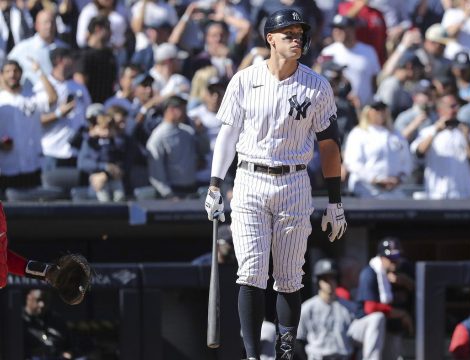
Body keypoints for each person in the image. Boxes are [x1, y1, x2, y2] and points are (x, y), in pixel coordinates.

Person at [204, 9, 347, 360]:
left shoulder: (317, 85)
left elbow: (329, 146)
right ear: (271, 39)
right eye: (288, 33)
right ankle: (252, 355)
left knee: (288, 276)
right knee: (250, 271)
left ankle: (284, 353)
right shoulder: (244, 79)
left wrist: (335, 201)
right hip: (250, 179)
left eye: (300, 33)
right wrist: (214, 185)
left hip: (295, 180)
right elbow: (228, 135)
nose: (296, 38)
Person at [296, 258, 386, 360]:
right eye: (325, 279)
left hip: (343, 357)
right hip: (318, 357)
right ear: (318, 281)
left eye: (333, 278)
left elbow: (359, 335)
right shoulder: (307, 308)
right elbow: (299, 340)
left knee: (378, 318)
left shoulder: (350, 307)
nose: (330, 283)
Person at [0, 60, 57, 192]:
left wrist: (39, 72)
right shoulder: (1, 101)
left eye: (15, 71)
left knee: (32, 207)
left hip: (32, 165)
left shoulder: (31, 96)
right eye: (7, 71)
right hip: (6, 167)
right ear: (1, 75)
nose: (12, 75)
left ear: (21, 73)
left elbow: (53, 98)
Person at [410, 93, 470, 199]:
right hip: (436, 192)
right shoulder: (428, 131)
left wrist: (466, 138)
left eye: (457, 106)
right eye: (452, 106)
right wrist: (435, 132)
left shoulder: (465, 132)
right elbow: (419, 153)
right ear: (440, 110)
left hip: (462, 192)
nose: (455, 109)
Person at [356, 238, 414, 359]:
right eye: (390, 258)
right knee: (378, 318)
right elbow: (370, 308)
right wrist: (402, 314)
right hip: (363, 330)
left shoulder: (403, 272)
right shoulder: (370, 273)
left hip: (388, 331)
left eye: (396, 257)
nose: (394, 261)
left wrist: (406, 282)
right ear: (381, 257)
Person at [343, 100, 413, 199]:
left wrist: (399, 178)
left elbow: (407, 161)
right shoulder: (359, 133)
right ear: (368, 112)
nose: (380, 113)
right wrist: (374, 179)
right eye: (376, 109)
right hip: (366, 191)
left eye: (383, 109)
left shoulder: (396, 134)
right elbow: (353, 162)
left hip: (394, 191)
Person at [146, 94, 207, 199]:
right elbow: (156, 172)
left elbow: (204, 150)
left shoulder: (188, 131)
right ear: (171, 110)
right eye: (182, 109)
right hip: (173, 193)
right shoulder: (158, 137)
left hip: (192, 189)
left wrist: (201, 133)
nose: (185, 113)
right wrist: (168, 194)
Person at [77, 104, 126, 202]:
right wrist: (104, 167)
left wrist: (109, 172)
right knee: (102, 196)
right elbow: (82, 163)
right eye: (104, 128)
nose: (106, 132)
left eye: (109, 128)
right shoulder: (90, 142)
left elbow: (123, 160)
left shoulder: (118, 142)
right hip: (96, 177)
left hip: (114, 176)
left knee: (119, 196)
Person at [23, 289, 74, 359]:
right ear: (29, 298)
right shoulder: (18, 321)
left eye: (45, 300)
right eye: (38, 300)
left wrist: (68, 354)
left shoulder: (57, 321)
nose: (42, 304)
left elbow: (70, 347)